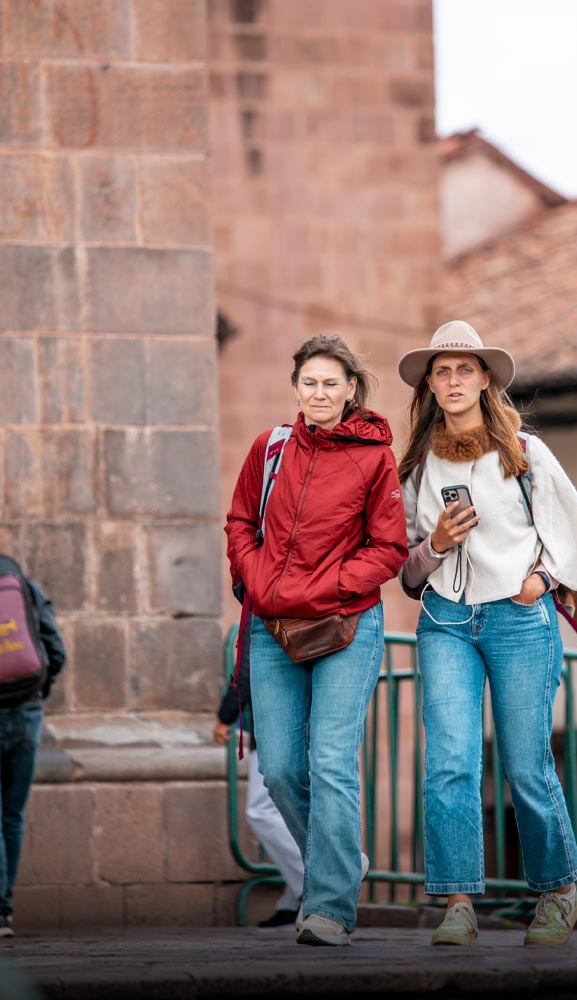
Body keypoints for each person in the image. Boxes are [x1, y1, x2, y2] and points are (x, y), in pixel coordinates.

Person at [397, 321, 577, 947]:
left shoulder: (527, 453)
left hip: (519, 619)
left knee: (526, 763)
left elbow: (569, 532)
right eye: (441, 371)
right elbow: (407, 571)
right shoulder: (416, 466)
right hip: (445, 619)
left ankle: (558, 892)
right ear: (429, 384)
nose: (452, 381)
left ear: (484, 380)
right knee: (449, 762)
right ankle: (457, 903)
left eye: (463, 370)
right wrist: (435, 545)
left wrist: (542, 578)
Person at [225, 334, 408, 947]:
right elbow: (239, 521)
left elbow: (389, 548)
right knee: (277, 769)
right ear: (296, 387)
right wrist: (256, 577)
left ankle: (329, 906)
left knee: (331, 763)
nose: (320, 393)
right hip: (272, 628)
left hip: (346, 625)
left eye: (331, 383)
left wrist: (326, 587)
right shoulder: (270, 447)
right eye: (309, 382)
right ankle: (338, 863)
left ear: (351, 389)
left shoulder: (375, 458)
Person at [213, 614, 304, 927]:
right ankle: (296, 897)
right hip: (305, 715)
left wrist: (226, 714)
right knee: (291, 808)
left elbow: (248, 665)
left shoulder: (264, 589)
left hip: (278, 719)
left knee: (262, 810)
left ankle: (320, 880)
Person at [0, 557, 66, 939]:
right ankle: (4, 909)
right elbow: (55, 651)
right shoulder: (25, 586)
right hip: (27, 713)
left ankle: (0, 911)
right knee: (12, 815)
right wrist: (37, 690)